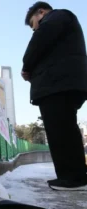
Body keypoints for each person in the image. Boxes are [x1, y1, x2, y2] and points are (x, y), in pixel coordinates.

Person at [22, 2, 87, 190]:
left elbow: (39, 41)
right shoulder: (61, 24)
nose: (35, 30)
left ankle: (73, 179)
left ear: (40, 12)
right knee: (64, 129)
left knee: (60, 130)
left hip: (58, 85)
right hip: (61, 83)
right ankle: (74, 176)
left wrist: (27, 66)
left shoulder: (57, 17)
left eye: (34, 24)